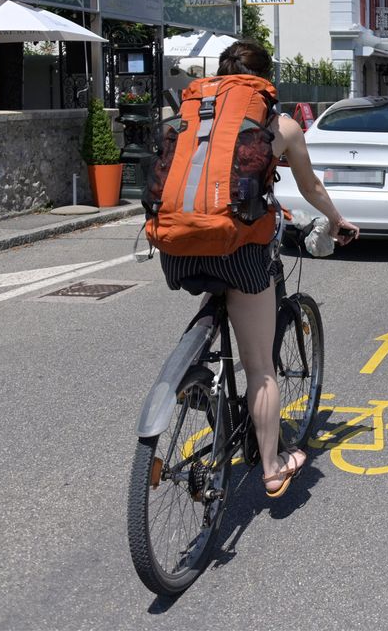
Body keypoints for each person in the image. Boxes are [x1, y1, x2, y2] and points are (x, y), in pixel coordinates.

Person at [158, 41, 360, 499]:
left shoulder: (191, 115)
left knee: (213, 289)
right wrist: (337, 220)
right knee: (260, 368)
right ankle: (271, 466)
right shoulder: (279, 124)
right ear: (266, 80)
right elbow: (308, 186)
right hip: (243, 250)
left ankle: (194, 372)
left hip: (176, 246)